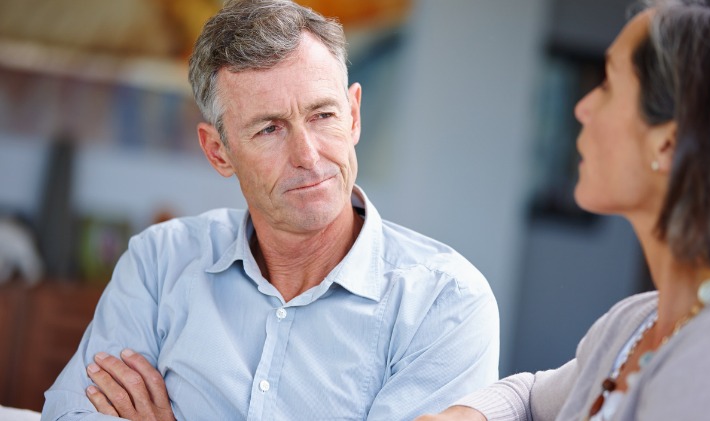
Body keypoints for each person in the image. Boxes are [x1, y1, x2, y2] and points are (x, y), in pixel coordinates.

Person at [41, 0, 500, 419]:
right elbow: (69, 413)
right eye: (269, 129)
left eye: (323, 115)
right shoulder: (159, 264)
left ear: (354, 115)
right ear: (218, 151)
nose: (308, 155)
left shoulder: (446, 304)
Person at [417, 0, 710, 420]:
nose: (582, 106)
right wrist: (469, 415)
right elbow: (533, 397)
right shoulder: (635, 323)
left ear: (667, 143)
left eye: (608, 83)